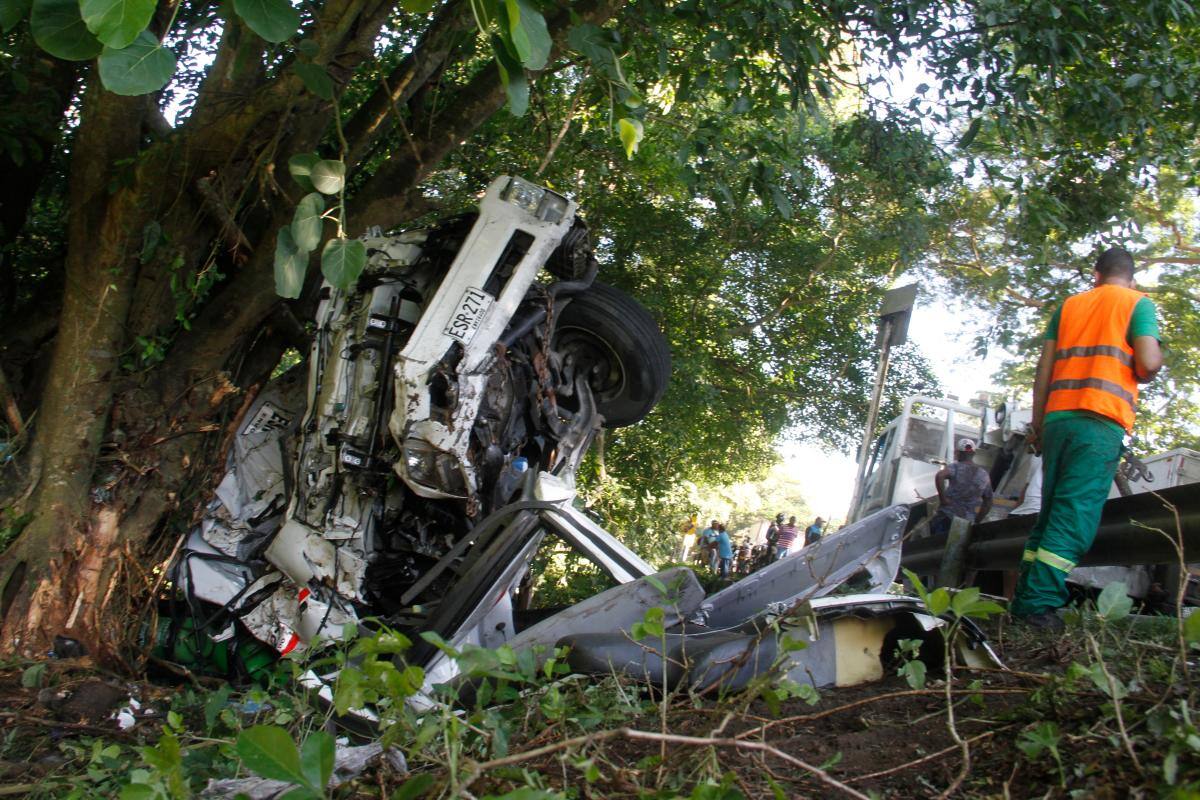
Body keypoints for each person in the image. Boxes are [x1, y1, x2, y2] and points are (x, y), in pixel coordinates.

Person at [1011, 246, 1162, 630]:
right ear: (1131, 279)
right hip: (1099, 422)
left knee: (1049, 517)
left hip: (1057, 421)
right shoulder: (1138, 303)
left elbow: (1043, 370)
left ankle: (1025, 601)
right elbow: (1148, 363)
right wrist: (1150, 362)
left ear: (1096, 275)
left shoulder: (1068, 307)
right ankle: (1037, 608)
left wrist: (1037, 425)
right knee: (1073, 517)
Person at [931, 439, 994, 535]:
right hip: (965, 522)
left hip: (947, 516)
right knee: (955, 544)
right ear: (973, 454)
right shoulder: (983, 474)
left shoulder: (955, 467)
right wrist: (977, 520)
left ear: (957, 453)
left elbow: (940, 476)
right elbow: (988, 502)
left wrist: (943, 499)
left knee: (936, 542)